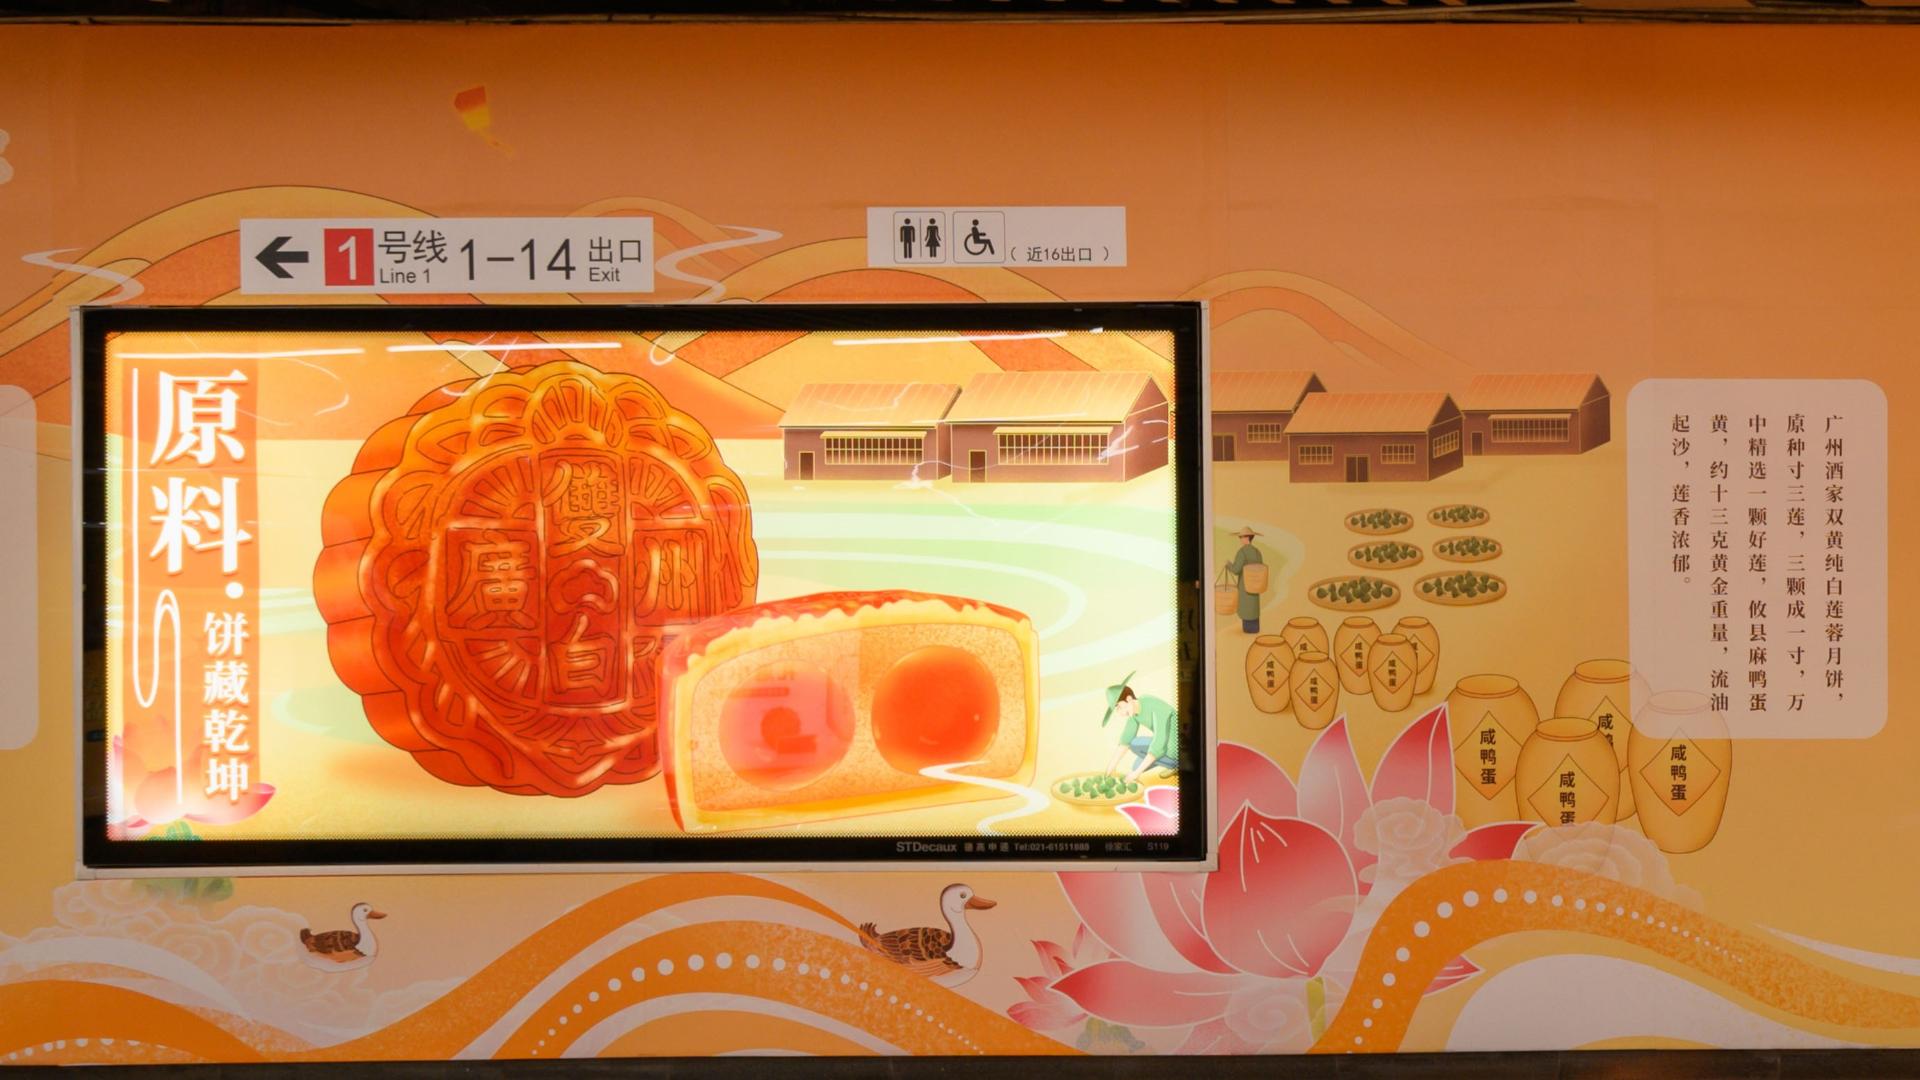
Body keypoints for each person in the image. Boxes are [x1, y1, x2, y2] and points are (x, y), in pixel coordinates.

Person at [1102, 671, 1178, 783]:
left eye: (1119, 707)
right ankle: (1173, 765)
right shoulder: (1134, 711)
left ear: (1129, 699)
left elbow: (1159, 743)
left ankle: (1176, 764)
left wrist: (1136, 774)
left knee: (1135, 744)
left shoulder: (1153, 705)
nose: (1120, 713)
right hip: (1167, 747)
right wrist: (1110, 769)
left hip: (1180, 750)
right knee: (1135, 765)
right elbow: (1125, 741)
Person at [1226, 526, 1265, 633]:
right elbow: (1261, 568)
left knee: (1246, 607)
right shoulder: (1257, 552)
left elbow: (1236, 570)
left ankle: (1248, 629)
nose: (1240, 539)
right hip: (1256, 586)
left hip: (1245, 587)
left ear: (1247, 537)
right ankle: (1255, 628)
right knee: (1253, 607)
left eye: (1241, 537)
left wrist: (1228, 564)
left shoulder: (1242, 552)